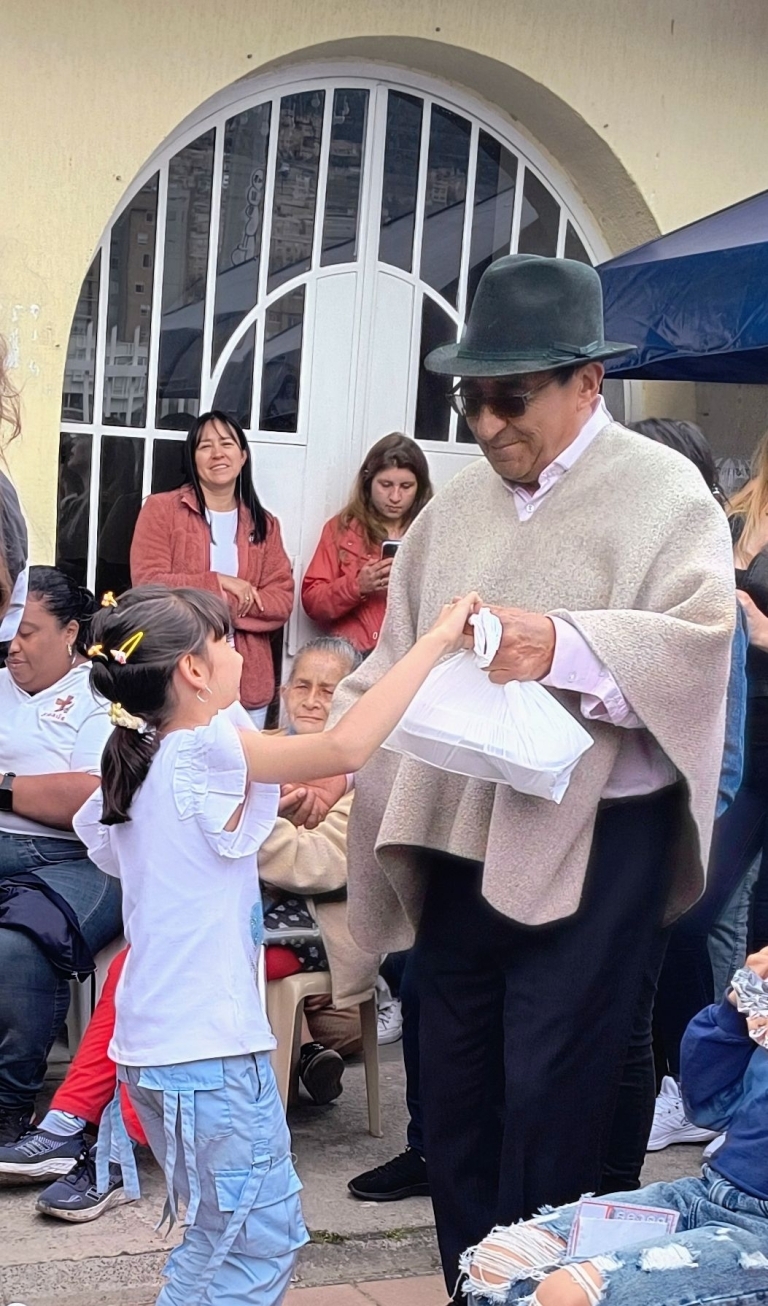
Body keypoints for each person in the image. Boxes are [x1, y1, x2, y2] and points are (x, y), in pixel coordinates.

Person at [317, 254, 735, 1292]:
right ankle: (474, 1279)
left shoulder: (662, 491)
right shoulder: (453, 509)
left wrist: (566, 644)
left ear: (587, 381)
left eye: (512, 394)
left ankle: (546, 1280)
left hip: (604, 841)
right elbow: (390, 659)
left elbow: (699, 638)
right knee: (454, 1089)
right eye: (471, 395)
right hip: (462, 825)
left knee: (558, 1087)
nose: (489, 419)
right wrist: (333, 755)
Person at [66, 583, 475, 1306]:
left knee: (220, 1234)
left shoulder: (138, 755)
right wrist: (435, 643)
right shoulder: (202, 747)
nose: (236, 652)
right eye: (224, 641)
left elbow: (110, 838)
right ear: (192, 670)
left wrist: (255, 795)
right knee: (260, 1243)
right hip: (208, 1055)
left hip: (155, 1052)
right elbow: (345, 745)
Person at [0, 635, 379, 1218]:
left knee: (152, 971)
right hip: (227, 933)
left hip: (305, 931)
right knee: (150, 970)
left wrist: (240, 818)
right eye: (300, 684)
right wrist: (237, 814)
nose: (310, 698)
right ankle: (91, 1137)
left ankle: (89, 1136)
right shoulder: (240, 749)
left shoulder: (327, 766)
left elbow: (320, 863)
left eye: (328, 689)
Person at [597, 419, 747, 1176]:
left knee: (674, 965)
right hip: (623, 822)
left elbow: (727, 728)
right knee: (628, 1002)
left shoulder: (708, 563)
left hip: (688, 807)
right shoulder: (661, 553)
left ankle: (698, 1104)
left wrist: (694, 827)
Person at [462, 946, 768, 1306]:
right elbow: (707, 1107)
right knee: (499, 1263)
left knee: (570, 1295)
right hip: (710, 1194)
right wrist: (737, 1007)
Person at [0, 567, 122, 1147]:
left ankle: (8, 1109)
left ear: (70, 631)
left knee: (19, 944)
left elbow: (91, 791)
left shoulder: (99, 695)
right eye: (9, 631)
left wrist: (4, 787)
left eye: (29, 631)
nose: (13, 644)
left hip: (76, 860)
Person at [130, 409, 294, 727]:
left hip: (246, 679)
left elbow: (281, 601)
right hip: (176, 671)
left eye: (227, 443)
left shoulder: (265, 524)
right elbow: (148, 585)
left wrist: (212, 605)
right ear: (192, 458)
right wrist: (220, 582)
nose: (217, 453)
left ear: (243, 455)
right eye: (205, 446)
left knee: (246, 772)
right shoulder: (161, 510)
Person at [301, 433, 433, 654]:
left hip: (413, 654)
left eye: (406, 486)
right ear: (368, 482)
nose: (395, 496)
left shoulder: (432, 531)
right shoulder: (341, 529)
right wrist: (357, 586)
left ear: (419, 488)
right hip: (354, 653)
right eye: (386, 484)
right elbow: (313, 602)